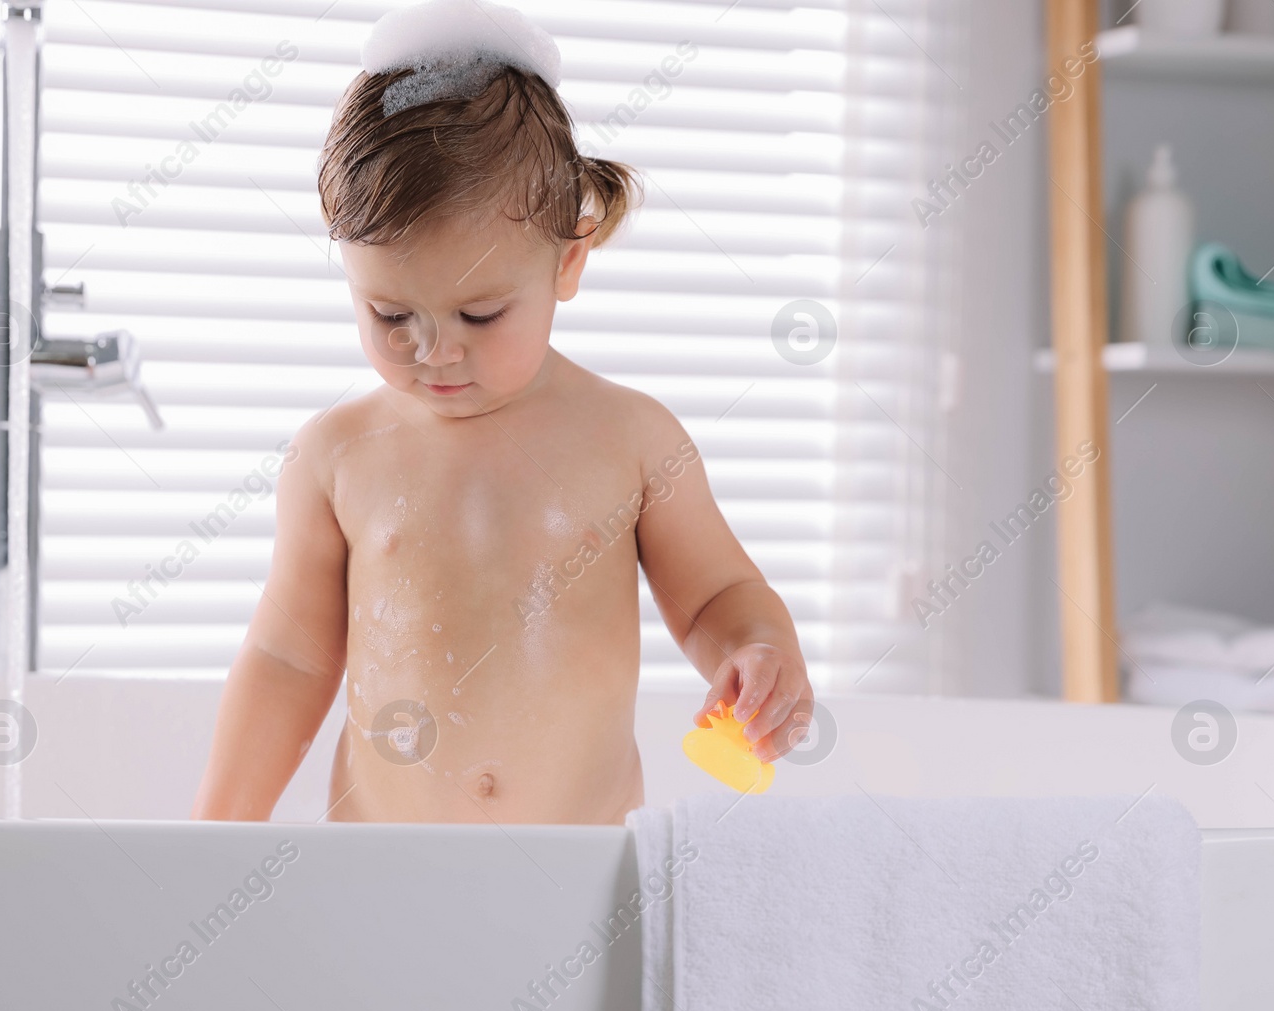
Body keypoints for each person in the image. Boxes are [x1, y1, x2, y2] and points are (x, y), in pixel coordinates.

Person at [192, 0, 812, 825]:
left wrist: (756, 651)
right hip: (383, 874)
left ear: (568, 261)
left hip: (577, 876)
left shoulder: (630, 440)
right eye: (389, 316)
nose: (433, 349)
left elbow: (713, 596)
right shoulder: (336, 458)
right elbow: (289, 656)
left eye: (480, 316)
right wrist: (216, 830)